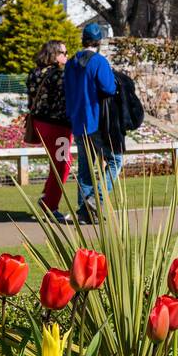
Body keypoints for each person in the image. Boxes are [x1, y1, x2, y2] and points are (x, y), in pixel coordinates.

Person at [64, 23, 122, 223]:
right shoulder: (99, 61)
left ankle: (84, 213)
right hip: (97, 120)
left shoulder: (71, 63)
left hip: (77, 120)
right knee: (116, 160)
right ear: (99, 41)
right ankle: (94, 198)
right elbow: (108, 87)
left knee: (85, 168)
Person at [26, 40, 73, 223]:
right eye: (64, 52)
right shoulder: (59, 74)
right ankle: (50, 205)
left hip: (40, 123)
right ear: (55, 54)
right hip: (58, 124)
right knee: (62, 164)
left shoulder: (34, 73)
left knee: (58, 162)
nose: (67, 55)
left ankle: (48, 197)